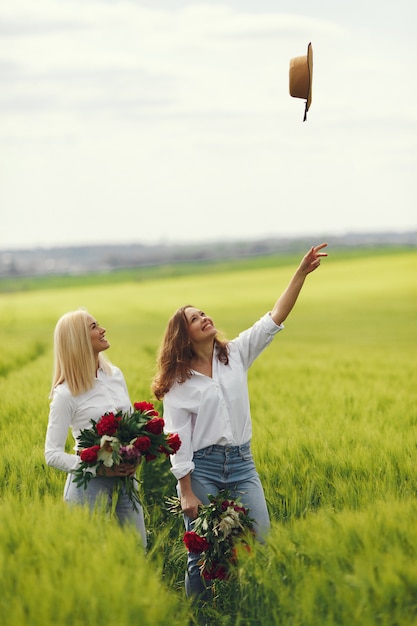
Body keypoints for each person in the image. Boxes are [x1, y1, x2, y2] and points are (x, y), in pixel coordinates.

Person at [151, 244, 328, 599]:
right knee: (198, 554)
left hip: (243, 464)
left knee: (260, 540)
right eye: (194, 319)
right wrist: (186, 491)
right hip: (202, 469)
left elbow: (274, 318)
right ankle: (200, 615)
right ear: (184, 336)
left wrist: (300, 274)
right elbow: (177, 439)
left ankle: (250, 607)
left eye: (203, 312)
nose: (204, 318)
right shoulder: (178, 383)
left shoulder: (235, 354)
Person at [45, 309, 147, 547]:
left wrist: (135, 454)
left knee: (136, 550)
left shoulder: (115, 375)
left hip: (125, 481)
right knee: (91, 555)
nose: (102, 330)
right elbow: (51, 454)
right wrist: (97, 470)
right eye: (94, 327)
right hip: (88, 486)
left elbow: (130, 425)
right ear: (78, 339)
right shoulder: (65, 394)